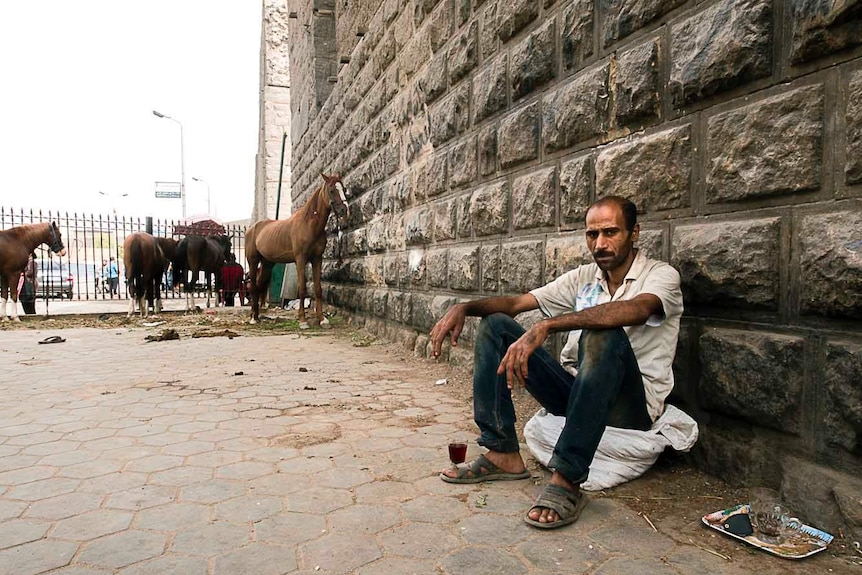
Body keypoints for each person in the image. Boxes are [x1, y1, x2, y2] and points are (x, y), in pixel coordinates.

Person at [430, 196, 683, 530]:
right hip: (580, 389)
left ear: (634, 234)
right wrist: (466, 307)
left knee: (602, 332)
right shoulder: (585, 277)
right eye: (593, 235)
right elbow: (519, 302)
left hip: (630, 407)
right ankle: (501, 451)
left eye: (611, 232)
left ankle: (567, 479)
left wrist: (548, 325)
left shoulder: (661, 275)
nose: (600, 244)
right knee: (495, 326)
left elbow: (637, 310)